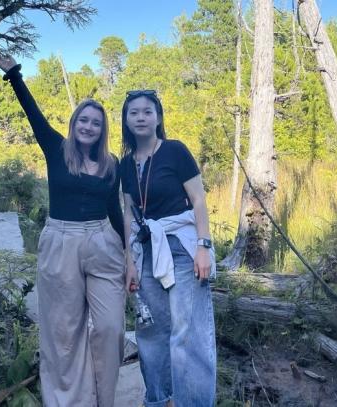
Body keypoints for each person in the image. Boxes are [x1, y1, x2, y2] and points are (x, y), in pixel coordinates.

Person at [0, 53, 125, 407]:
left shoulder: (111, 164)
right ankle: (69, 401)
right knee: (63, 332)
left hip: (103, 243)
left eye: (95, 123)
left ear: (102, 130)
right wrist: (14, 75)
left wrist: (130, 255)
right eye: (83, 120)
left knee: (111, 327)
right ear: (74, 122)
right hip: (61, 242)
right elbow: (33, 114)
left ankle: (104, 399)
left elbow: (115, 211)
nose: (88, 127)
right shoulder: (57, 149)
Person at [120, 90, 217, 406]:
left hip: (181, 247)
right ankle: (160, 400)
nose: (141, 117)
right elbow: (128, 213)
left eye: (147, 111)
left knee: (188, 332)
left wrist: (203, 246)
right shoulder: (126, 164)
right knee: (150, 332)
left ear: (158, 117)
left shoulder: (175, 151)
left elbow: (199, 200)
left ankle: (193, 401)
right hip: (147, 250)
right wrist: (129, 262)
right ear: (126, 120)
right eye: (134, 112)